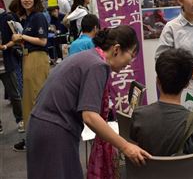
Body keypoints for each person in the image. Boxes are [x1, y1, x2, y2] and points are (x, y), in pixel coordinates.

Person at [26, 25, 151, 178]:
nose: (130, 62)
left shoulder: (90, 57)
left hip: (44, 126)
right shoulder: (98, 66)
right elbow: (90, 116)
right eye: (131, 55)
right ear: (116, 49)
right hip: (54, 132)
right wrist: (126, 147)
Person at [130, 48, 193, 155]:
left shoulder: (139, 115)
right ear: (187, 84)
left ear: (157, 81)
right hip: (184, 172)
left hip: (149, 172)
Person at [12, 0, 50, 151]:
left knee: (36, 98)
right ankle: (32, 137)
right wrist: (22, 40)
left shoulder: (38, 16)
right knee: (28, 99)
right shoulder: (27, 18)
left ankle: (40, 139)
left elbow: (43, 41)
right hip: (28, 58)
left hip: (36, 59)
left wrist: (21, 36)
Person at [0, 7, 24, 133]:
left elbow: (16, 38)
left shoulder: (6, 17)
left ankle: (20, 120)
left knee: (15, 94)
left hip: (6, 63)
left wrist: (5, 46)